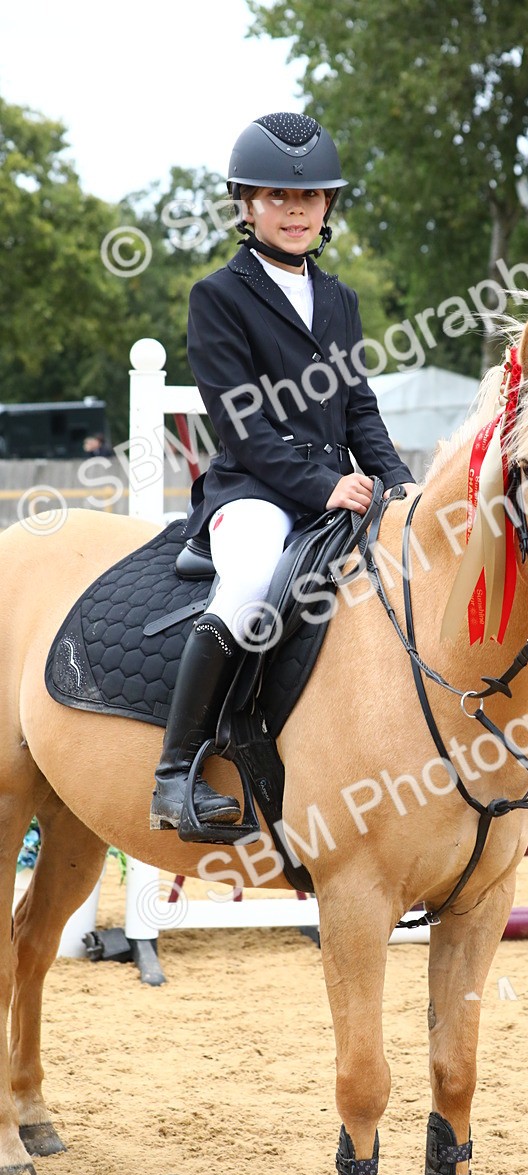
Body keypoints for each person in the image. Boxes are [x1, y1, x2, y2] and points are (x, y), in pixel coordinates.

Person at [150, 112, 415, 834]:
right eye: (276, 197)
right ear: (246, 203)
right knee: (246, 586)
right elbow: (242, 427)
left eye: (308, 198)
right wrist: (323, 486)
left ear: (328, 206)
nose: (294, 211)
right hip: (254, 495)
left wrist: (397, 483)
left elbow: (359, 408)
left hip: (339, 496)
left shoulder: (340, 300)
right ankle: (175, 774)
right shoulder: (218, 296)